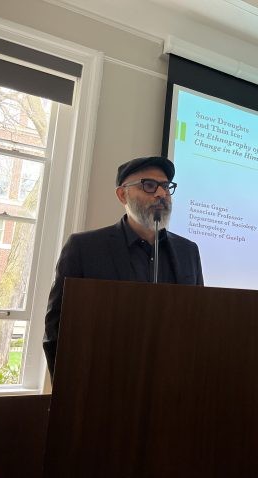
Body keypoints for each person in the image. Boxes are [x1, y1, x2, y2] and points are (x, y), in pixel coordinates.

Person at [43, 156, 204, 377]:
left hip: (172, 387)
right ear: (122, 194)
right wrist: (68, 392)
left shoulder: (188, 252)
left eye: (166, 186)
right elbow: (56, 328)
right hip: (102, 386)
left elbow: (198, 322)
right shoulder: (85, 248)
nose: (161, 193)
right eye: (149, 185)